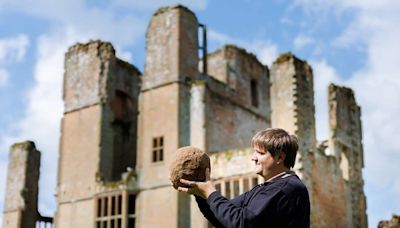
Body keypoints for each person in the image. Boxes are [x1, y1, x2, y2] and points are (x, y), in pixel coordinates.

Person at [178, 128, 310, 228]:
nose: (253, 158)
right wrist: (201, 194)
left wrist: (211, 192)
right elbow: (223, 219)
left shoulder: (287, 188)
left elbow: (241, 223)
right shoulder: (266, 188)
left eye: (260, 153)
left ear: (280, 158)